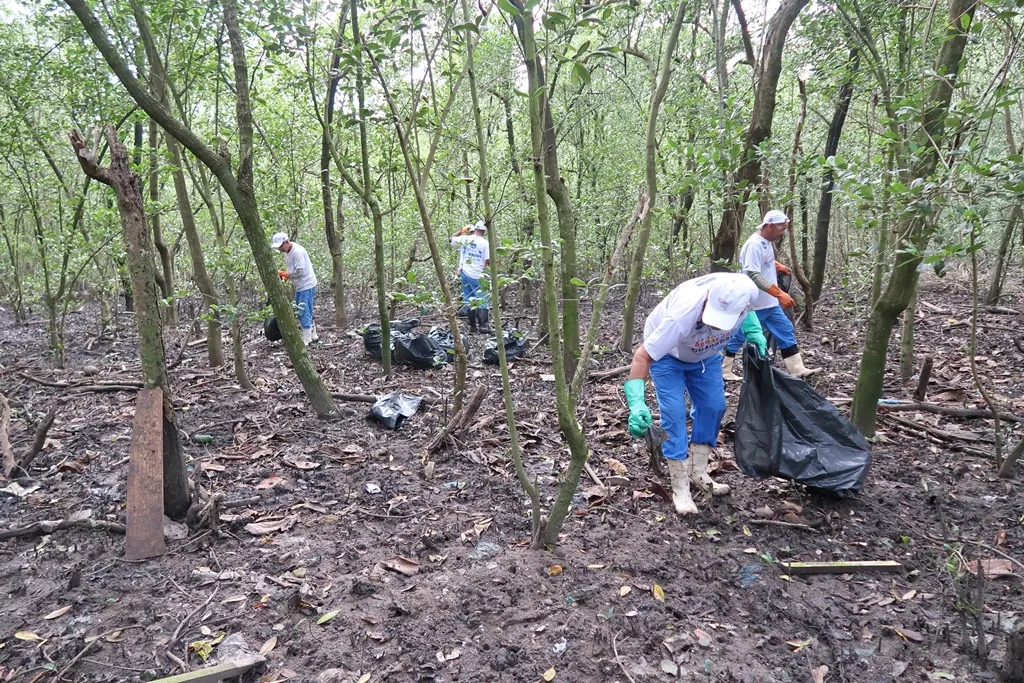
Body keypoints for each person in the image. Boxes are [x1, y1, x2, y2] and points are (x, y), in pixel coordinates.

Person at [623, 273, 768, 515]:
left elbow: (748, 309)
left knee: (714, 407)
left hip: (706, 356)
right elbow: (643, 355)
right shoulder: (682, 314)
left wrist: (754, 331)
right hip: (669, 357)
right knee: (674, 414)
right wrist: (636, 404)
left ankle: (698, 471)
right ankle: (680, 487)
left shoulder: (744, 292)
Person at [722, 210, 820, 380]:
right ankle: (724, 370)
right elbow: (753, 273)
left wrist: (777, 265)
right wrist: (780, 293)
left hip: (769, 303)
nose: (783, 233)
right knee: (738, 335)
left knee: (785, 330)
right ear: (769, 226)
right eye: (781, 229)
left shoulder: (765, 243)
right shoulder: (754, 244)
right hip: (754, 304)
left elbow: (762, 261)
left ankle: (797, 370)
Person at [270, 232, 319, 346]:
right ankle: (313, 334)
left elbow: (300, 271)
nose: (280, 249)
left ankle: (307, 338)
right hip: (300, 286)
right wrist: (286, 275)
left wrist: (286, 274)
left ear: (287, 242)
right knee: (303, 309)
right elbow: (292, 268)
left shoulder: (297, 252)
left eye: (281, 246)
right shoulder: (287, 252)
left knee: (303, 310)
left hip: (306, 285)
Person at [450, 220, 490, 333]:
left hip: (465, 274)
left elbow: (451, 240)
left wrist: (460, 231)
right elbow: (488, 260)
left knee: (469, 299)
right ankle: (483, 326)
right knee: (482, 298)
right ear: (484, 231)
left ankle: (473, 327)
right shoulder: (484, 243)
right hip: (478, 275)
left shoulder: (465, 239)